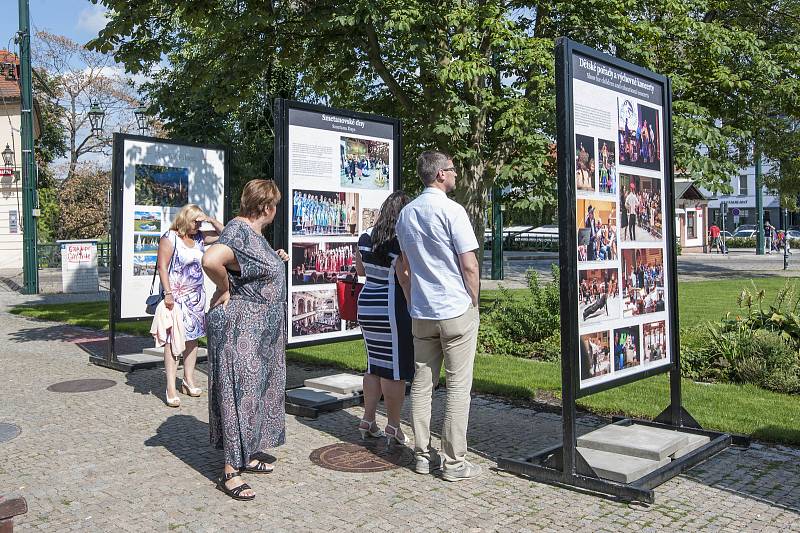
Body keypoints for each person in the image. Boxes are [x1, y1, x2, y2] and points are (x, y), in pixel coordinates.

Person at [202, 179, 290, 501]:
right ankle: (230, 471)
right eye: (275, 205)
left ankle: (248, 453)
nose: (276, 211)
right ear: (266, 207)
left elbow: (248, 264)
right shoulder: (239, 231)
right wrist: (224, 288)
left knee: (255, 392)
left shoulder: (250, 233)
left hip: (260, 332)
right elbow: (212, 260)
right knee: (239, 393)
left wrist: (274, 258)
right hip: (243, 330)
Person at [396, 151, 481, 482]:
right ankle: (454, 461)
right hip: (454, 308)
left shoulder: (406, 214)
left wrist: (411, 299)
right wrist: (473, 301)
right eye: (452, 169)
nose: (456, 174)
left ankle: (421, 454)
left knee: (422, 381)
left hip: (422, 310)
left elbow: (403, 267)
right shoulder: (453, 211)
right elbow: (469, 264)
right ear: (440, 175)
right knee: (459, 385)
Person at [355, 191, 414, 446]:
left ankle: (368, 420)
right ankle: (393, 426)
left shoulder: (366, 236)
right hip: (390, 306)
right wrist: (413, 307)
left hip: (367, 302)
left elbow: (359, 270)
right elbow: (403, 278)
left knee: (373, 365)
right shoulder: (399, 241)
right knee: (395, 371)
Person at [155, 204, 223, 408]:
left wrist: (210, 220)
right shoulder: (170, 237)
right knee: (173, 340)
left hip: (195, 297)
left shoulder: (200, 238)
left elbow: (225, 233)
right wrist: (168, 293)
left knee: (193, 338)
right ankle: (170, 386)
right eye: (195, 221)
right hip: (175, 297)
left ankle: (188, 379)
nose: (198, 225)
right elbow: (162, 267)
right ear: (185, 219)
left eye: (200, 222)